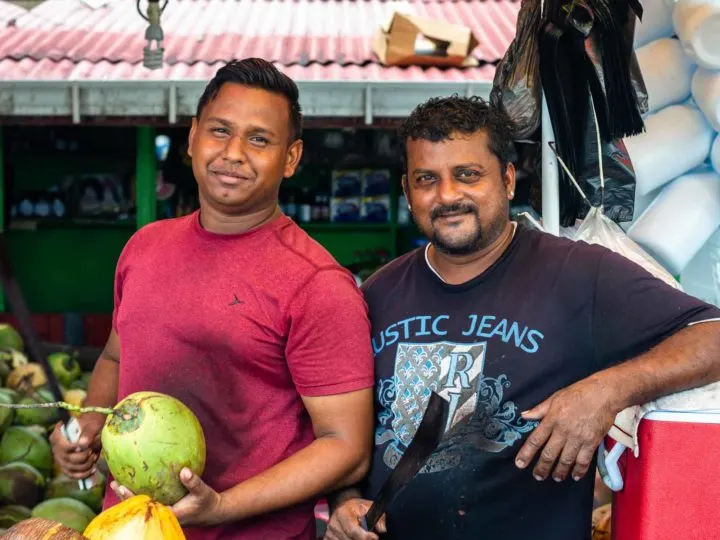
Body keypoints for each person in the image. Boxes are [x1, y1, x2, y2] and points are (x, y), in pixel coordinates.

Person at [324, 95, 720, 540]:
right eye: (426, 179)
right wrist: (342, 504)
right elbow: (345, 433)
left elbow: (711, 336)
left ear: (508, 180)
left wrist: (606, 390)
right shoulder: (377, 294)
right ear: (407, 191)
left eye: (468, 175)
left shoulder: (578, 274)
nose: (447, 195)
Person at [50, 58, 375, 540]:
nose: (234, 152)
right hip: (129, 529)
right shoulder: (144, 247)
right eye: (220, 131)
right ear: (193, 136)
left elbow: (347, 447)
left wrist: (221, 507)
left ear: (291, 157)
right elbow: (117, 358)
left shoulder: (317, 283)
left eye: (259, 139)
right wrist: (88, 428)